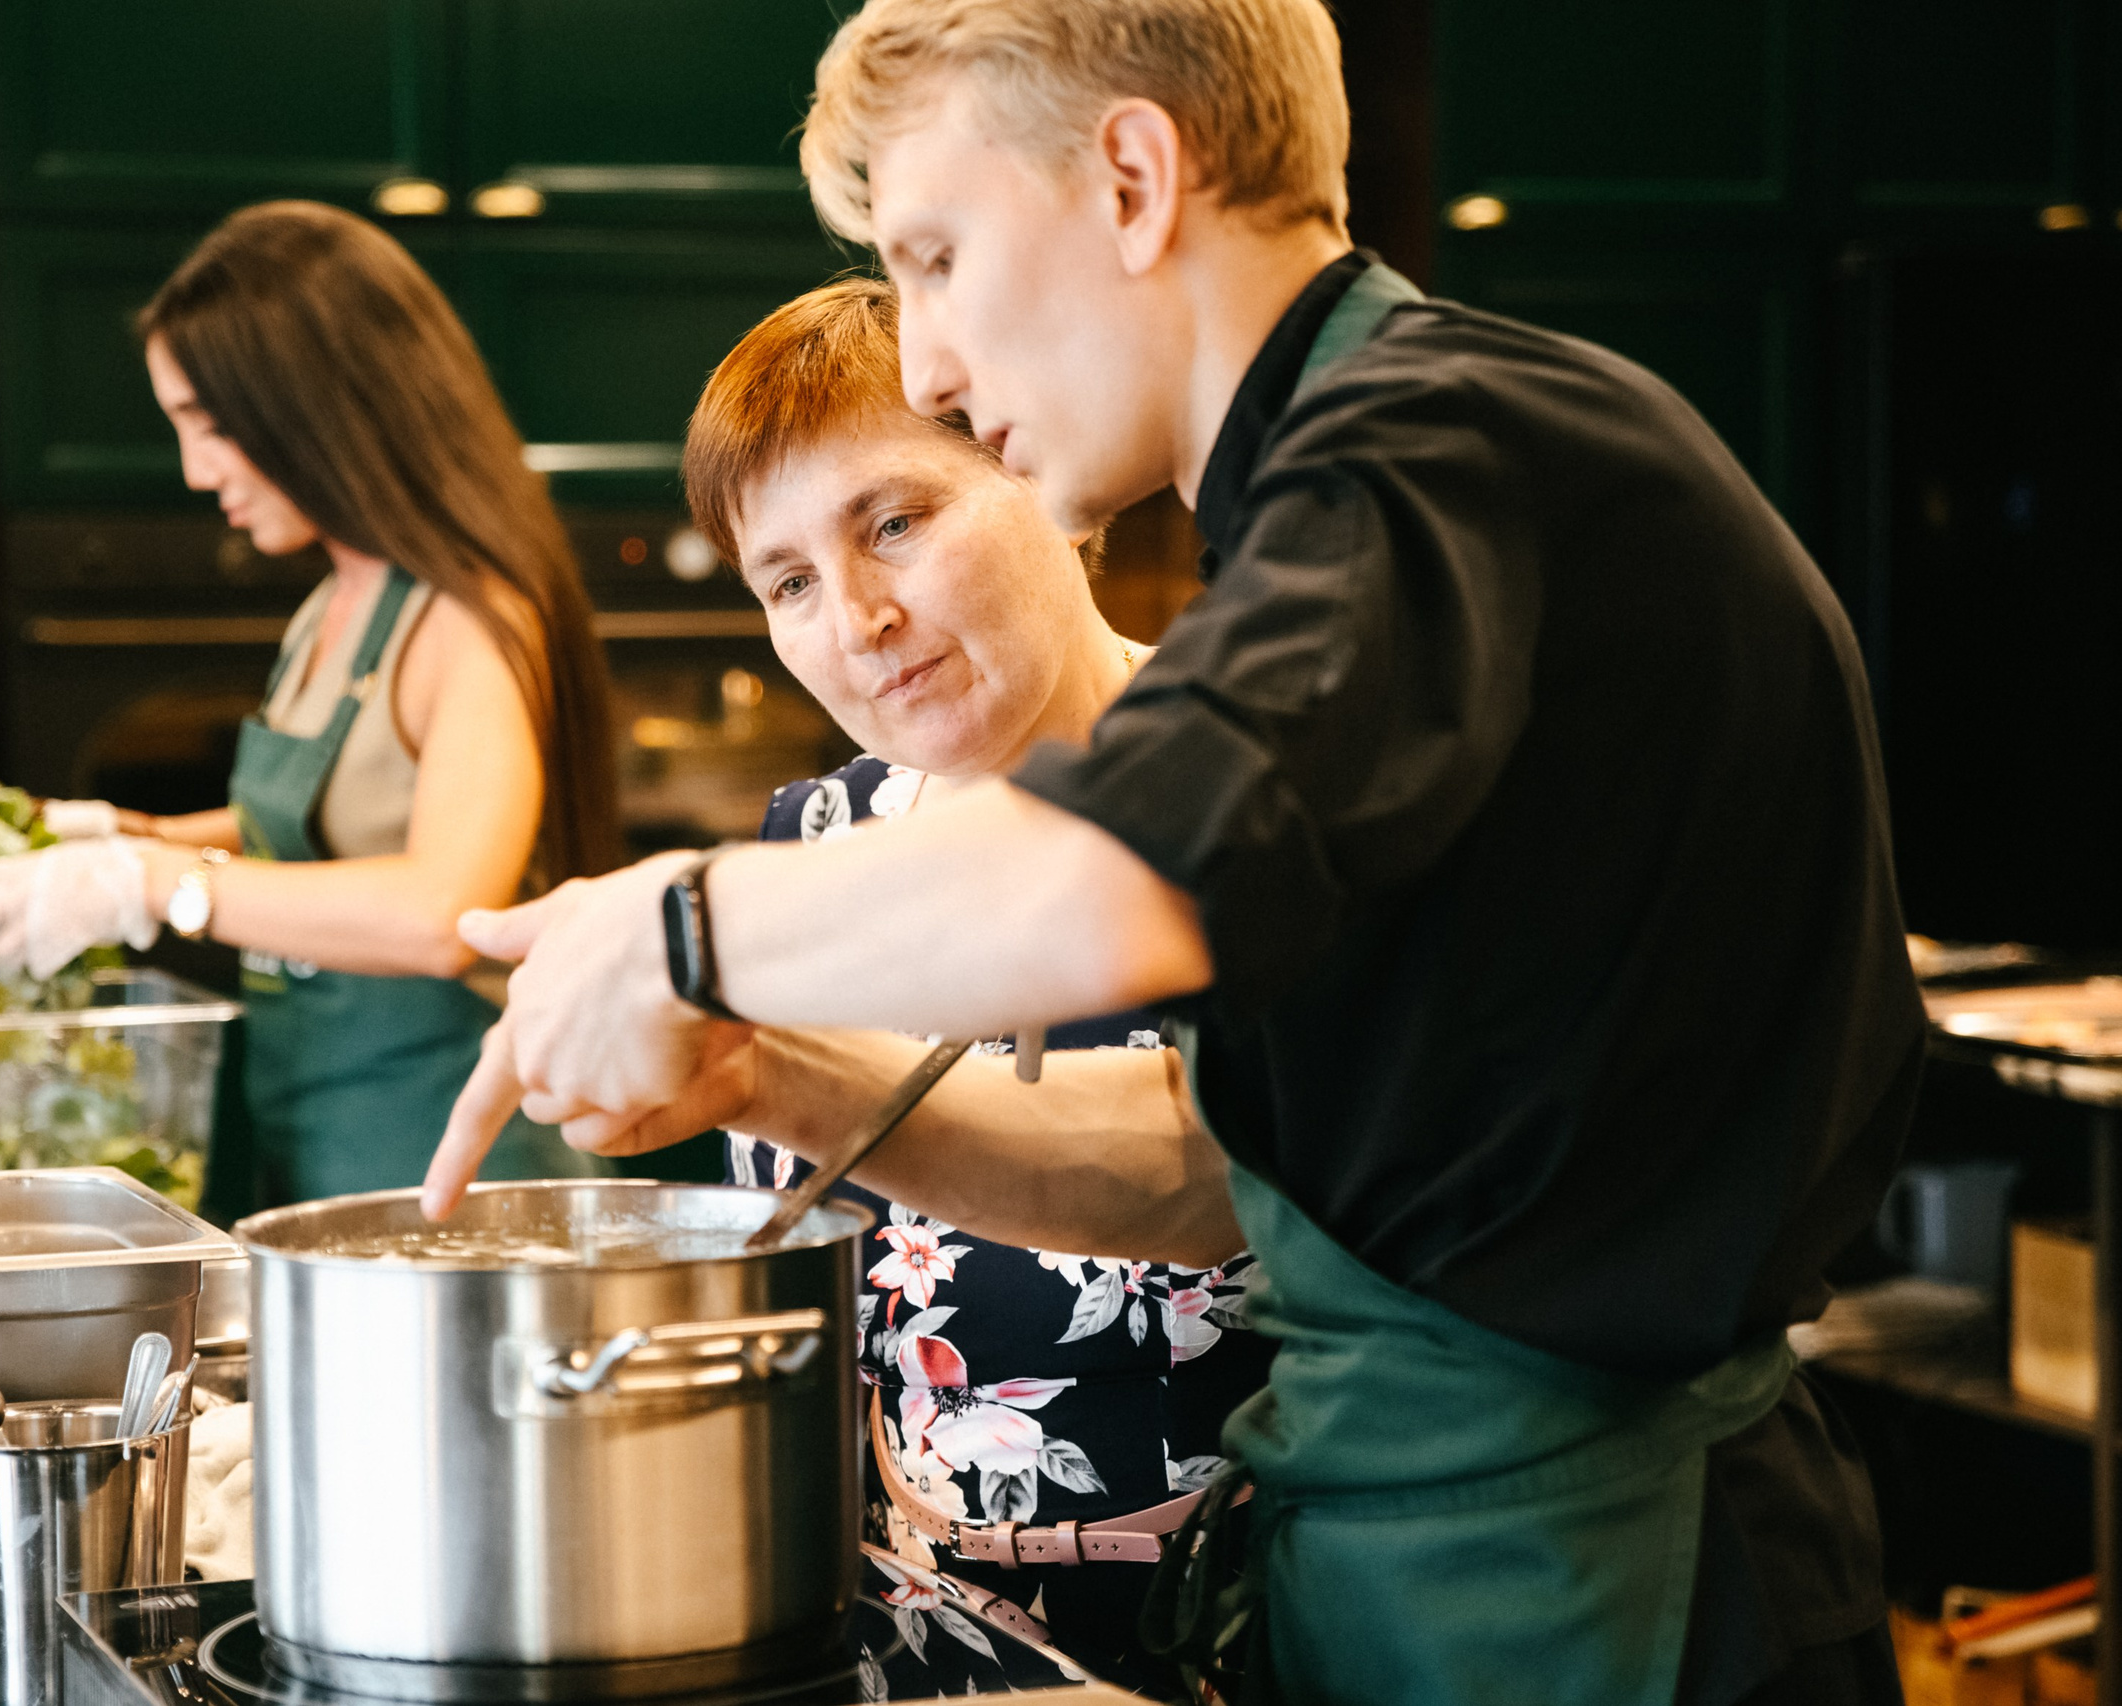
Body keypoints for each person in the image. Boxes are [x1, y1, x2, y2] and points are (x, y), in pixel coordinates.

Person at [424, 3, 1924, 1704]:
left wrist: (676, 929)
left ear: (1133, 181)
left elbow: (1123, 874)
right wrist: (778, 1077)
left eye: (935, 255)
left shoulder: (1437, 453)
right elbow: (1200, 1158)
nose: (924, 365)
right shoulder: (1366, 481)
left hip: (1601, 1580)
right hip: (1424, 1556)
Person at [685, 277, 1267, 1688]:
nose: (860, 617)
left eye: (895, 520)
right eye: (791, 582)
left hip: (1251, 1639)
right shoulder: (798, 861)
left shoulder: (1247, 795)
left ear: (1047, 476)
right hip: (901, 1651)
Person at [0, 201, 618, 1211]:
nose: (194, 470)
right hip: (310, 1139)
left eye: (211, 426)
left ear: (321, 402)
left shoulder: (470, 614)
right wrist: (125, 836)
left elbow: (446, 909)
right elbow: (327, 823)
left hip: (451, 1165)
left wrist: (159, 880)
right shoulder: (332, 605)